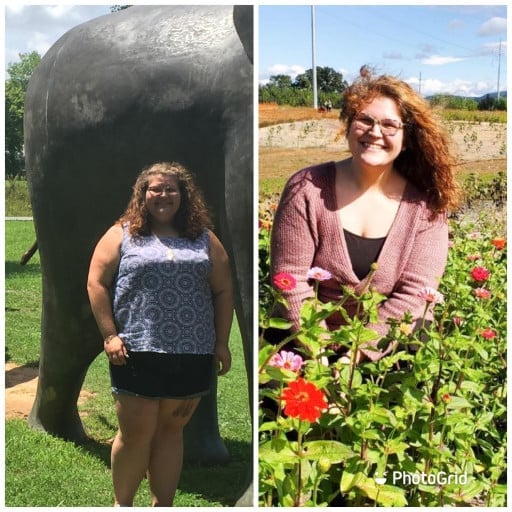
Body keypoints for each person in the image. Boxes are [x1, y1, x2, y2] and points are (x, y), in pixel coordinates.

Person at [269, 67, 459, 363]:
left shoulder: (426, 207)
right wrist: (319, 355)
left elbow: (414, 295)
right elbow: (290, 279)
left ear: (407, 138)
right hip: (304, 336)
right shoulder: (306, 188)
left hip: (387, 341)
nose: (375, 132)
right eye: (365, 120)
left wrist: (352, 360)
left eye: (389, 125)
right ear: (347, 126)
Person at [87, 161, 233, 506]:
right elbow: (96, 282)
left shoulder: (205, 239)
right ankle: (123, 504)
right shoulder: (121, 234)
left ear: (183, 195)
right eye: (155, 188)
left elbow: (223, 290)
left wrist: (222, 342)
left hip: (192, 351)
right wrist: (110, 335)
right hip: (136, 349)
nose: (163, 195)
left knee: (171, 432)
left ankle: (162, 505)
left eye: (171, 189)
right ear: (143, 195)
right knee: (136, 434)